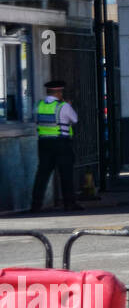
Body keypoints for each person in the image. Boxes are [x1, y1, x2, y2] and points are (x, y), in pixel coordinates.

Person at [30, 79, 81, 212]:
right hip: (61, 143)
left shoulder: (38, 105)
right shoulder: (63, 106)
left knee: (42, 174)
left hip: (44, 143)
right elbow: (75, 119)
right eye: (61, 92)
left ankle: (36, 205)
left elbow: (35, 120)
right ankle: (69, 203)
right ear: (58, 92)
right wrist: (68, 105)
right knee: (65, 174)